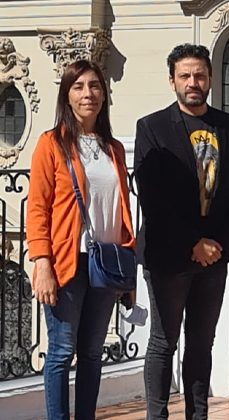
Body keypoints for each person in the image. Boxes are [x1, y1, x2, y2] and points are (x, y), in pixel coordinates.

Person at [134, 44, 229, 419]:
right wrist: (193, 243)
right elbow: (152, 196)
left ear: (211, 79)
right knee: (164, 341)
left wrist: (217, 244)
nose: (193, 82)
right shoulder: (151, 127)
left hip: (214, 257)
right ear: (172, 81)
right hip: (169, 255)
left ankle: (197, 414)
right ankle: (158, 415)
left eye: (200, 75)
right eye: (185, 76)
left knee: (202, 343)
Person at [27, 60, 136, 420]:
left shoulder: (114, 149)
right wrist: (41, 261)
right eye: (78, 87)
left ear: (104, 95)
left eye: (94, 86)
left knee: (92, 352)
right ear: (67, 95)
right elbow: (38, 207)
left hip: (105, 263)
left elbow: (122, 208)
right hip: (66, 261)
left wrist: (128, 264)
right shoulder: (51, 144)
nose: (87, 94)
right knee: (61, 351)